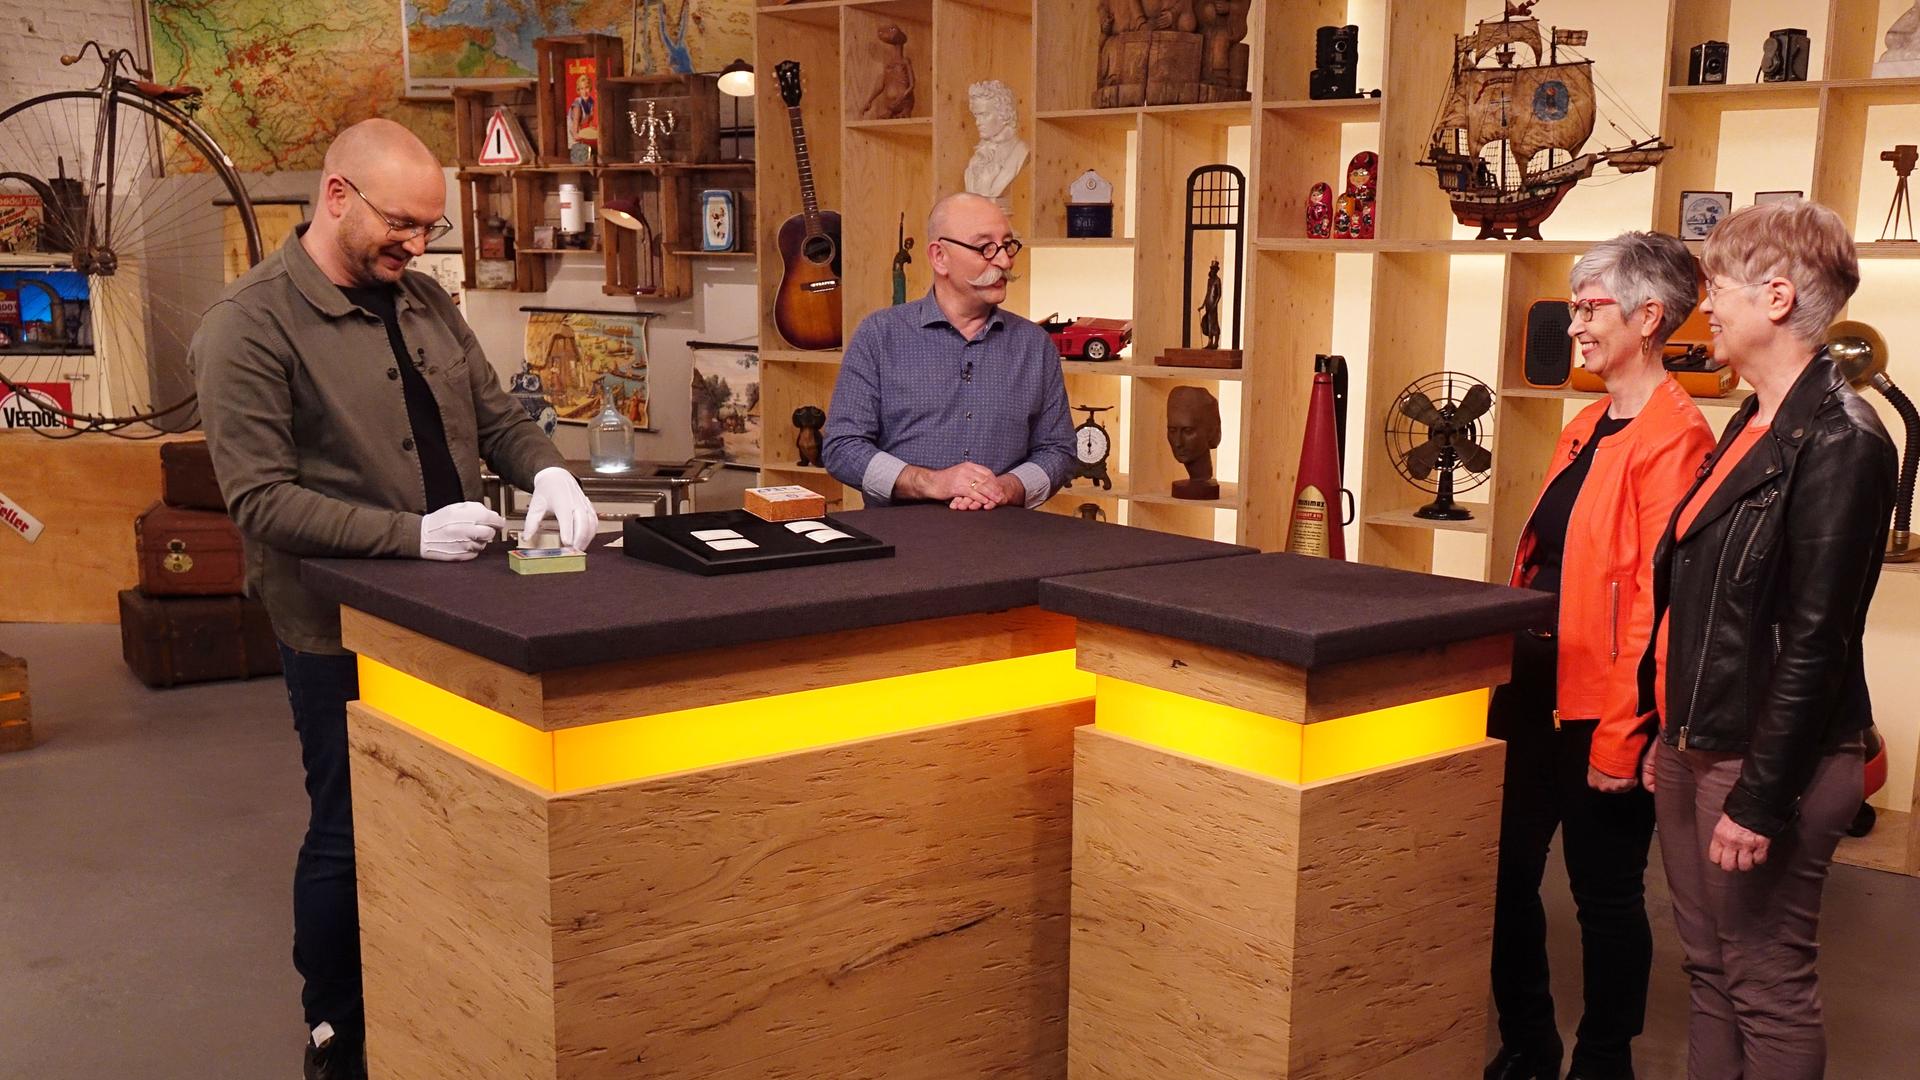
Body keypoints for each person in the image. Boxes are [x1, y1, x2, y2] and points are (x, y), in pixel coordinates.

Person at [191, 119, 596, 1080]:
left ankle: (445, 997)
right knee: (349, 828)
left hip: (461, 614)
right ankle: (336, 1033)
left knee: (453, 809)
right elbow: (261, 501)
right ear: (337, 196)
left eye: (428, 228)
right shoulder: (247, 325)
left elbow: (494, 415)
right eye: (402, 225)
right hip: (338, 631)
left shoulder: (421, 299)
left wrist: (548, 470)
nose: (416, 245)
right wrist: (409, 536)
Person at [1638, 198, 1896, 1080]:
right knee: (1711, 971)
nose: (1705, 304)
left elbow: (1817, 640)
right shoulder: (1752, 419)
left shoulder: (1844, 439)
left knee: (1766, 982)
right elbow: (1703, 601)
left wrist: (1760, 798)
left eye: (1717, 286)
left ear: (1777, 297)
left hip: (1768, 761)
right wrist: (1668, 730)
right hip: (1700, 744)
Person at [1486, 232, 1716, 1080]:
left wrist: (1625, 734)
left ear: (1649, 317)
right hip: (1530, 684)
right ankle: (1528, 1044)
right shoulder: (1585, 425)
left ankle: (1603, 1062)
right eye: (1575, 307)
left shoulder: (1678, 436)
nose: (1574, 324)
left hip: (1602, 704)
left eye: (1590, 308)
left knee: (1605, 896)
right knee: (1503, 878)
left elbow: (1659, 604)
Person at [822, 192, 1074, 510]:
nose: (1005, 261)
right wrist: (930, 482)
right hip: (899, 535)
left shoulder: (1035, 345)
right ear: (939, 256)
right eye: (986, 248)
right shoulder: (879, 335)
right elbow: (842, 447)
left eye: (1008, 245)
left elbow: (1059, 451)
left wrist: (1007, 488)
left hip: (1004, 533)